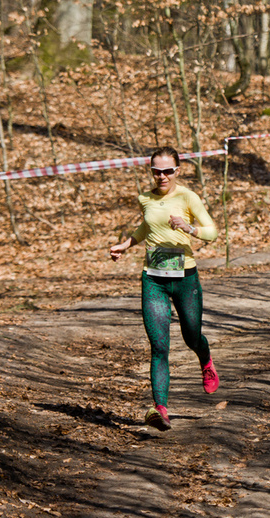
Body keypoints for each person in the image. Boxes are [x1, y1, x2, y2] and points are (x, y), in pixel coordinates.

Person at [109, 146, 220, 432]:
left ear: (177, 171)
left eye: (167, 171)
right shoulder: (144, 199)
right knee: (159, 346)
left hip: (185, 278)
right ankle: (160, 408)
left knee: (191, 336)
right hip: (153, 280)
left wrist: (189, 228)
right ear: (151, 172)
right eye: (156, 171)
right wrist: (127, 244)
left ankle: (205, 360)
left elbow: (212, 232)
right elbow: (148, 227)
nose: (162, 176)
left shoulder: (187, 197)